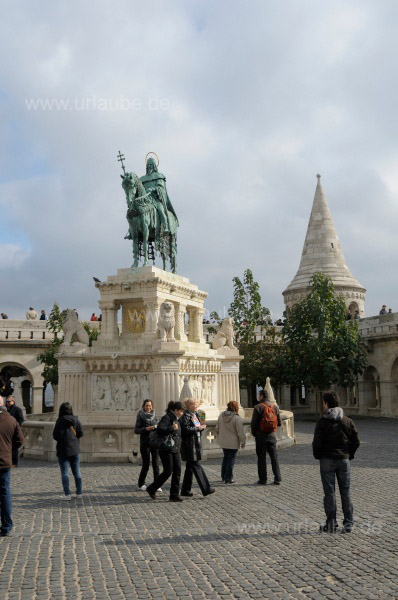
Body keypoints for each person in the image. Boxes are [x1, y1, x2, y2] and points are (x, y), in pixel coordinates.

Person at [312, 391, 360, 533]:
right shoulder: (347, 420)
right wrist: (348, 454)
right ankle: (349, 523)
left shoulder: (322, 422)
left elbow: (317, 443)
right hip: (344, 460)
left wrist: (318, 455)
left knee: (329, 492)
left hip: (327, 460)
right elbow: (356, 441)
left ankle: (331, 523)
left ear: (326, 404)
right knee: (345, 491)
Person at [146, 401, 185, 502]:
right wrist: (171, 428)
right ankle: (152, 488)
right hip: (166, 448)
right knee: (168, 471)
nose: (182, 413)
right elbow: (160, 429)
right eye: (181, 411)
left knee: (177, 471)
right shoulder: (167, 417)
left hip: (175, 448)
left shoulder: (177, 419)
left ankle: (174, 495)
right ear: (175, 410)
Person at [180, 398, 215, 497]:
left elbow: (196, 427)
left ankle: (185, 490)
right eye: (194, 404)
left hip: (195, 443)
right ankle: (206, 488)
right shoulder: (185, 416)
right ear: (189, 406)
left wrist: (201, 428)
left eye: (196, 404)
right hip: (189, 445)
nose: (196, 406)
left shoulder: (195, 415)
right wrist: (197, 428)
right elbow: (185, 429)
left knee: (190, 468)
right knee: (196, 465)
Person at [0, 396, 24, 536]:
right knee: (5, 493)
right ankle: (6, 526)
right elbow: (20, 440)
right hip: (4, 461)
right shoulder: (11, 420)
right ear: (3, 405)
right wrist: (9, 449)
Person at [52, 402, 83, 500]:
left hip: (62, 449)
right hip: (74, 449)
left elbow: (55, 435)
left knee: (65, 473)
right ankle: (79, 493)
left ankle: (67, 494)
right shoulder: (76, 420)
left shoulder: (59, 421)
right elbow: (80, 433)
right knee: (77, 472)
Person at [251, 389, 282, 485]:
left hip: (261, 436)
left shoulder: (258, 407)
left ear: (261, 396)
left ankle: (263, 479)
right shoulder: (275, 407)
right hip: (272, 436)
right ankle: (278, 478)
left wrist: (255, 433)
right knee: (274, 457)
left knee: (261, 457)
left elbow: (253, 424)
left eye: (258, 395)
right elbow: (279, 423)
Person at [216, 400, 245, 483]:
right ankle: (228, 478)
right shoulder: (236, 418)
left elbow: (217, 428)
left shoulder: (221, 415)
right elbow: (240, 432)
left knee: (225, 458)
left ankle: (223, 476)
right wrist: (243, 442)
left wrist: (222, 436)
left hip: (223, 441)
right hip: (233, 442)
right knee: (231, 460)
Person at [134, 399, 160, 491]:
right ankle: (141, 484)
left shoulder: (155, 415)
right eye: (146, 406)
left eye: (149, 405)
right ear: (143, 406)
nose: (148, 407)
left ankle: (157, 484)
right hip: (145, 443)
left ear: (152, 406)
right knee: (146, 464)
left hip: (155, 442)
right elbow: (136, 430)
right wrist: (146, 429)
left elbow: (158, 426)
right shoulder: (140, 416)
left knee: (156, 464)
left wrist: (157, 427)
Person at [5, 396, 24, 466]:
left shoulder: (17, 409)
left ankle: (14, 463)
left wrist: (15, 427)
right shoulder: (7, 409)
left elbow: (21, 420)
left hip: (14, 431)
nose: (7, 403)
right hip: (8, 432)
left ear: (13, 401)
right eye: (6, 402)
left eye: (8, 401)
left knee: (14, 448)